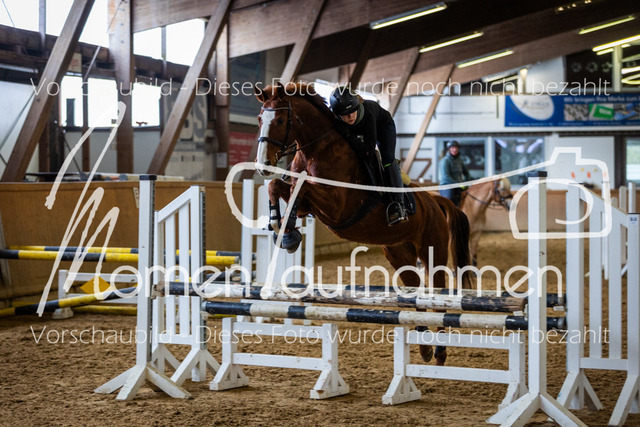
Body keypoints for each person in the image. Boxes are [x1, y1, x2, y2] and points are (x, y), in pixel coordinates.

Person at [329, 86, 408, 226]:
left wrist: (348, 135)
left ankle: (399, 205)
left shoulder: (368, 112)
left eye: (353, 111)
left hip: (383, 127)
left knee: (387, 159)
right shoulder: (334, 116)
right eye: (345, 114)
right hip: (359, 131)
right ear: (337, 114)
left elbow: (367, 152)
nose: (350, 116)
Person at [439, 140, 471, 207]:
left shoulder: (459, 161)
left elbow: (466, 172)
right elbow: (446, 177)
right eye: (452, 148)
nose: (455, 150)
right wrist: (458, 184)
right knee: (449, 201)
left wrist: (466, 182)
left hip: (458, 185)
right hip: (447, 186)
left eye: (456, 148)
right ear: (449, 149)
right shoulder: (445, 161)